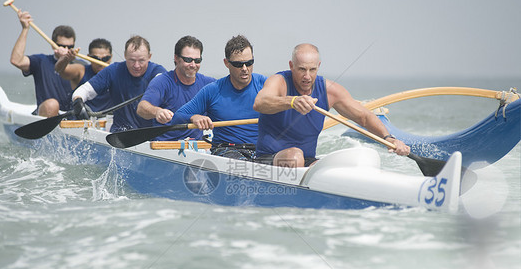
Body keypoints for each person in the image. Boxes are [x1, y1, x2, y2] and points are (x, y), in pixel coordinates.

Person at [253, 43, 410, 168]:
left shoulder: (329, 90)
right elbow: (260, 103)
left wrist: (390, 138)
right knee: (295, 156)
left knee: (347, 164)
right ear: (291, 66)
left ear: (318, 66)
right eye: (301, 69)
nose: (307, 76)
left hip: (307, 161)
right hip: (269, 159)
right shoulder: (279, 82)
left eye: (312, 69)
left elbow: (364, 117)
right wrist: (292, 101)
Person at [171, 35, 266, 160]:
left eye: (249, 63)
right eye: (238, 64)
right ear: (226, 63)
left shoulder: (266, 86)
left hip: (260, 151)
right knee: (239, 165)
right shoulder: (213, 90)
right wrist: (194, 117)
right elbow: (177, 117)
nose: (244, 69)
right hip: (227, 150)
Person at [72, 35, 167, 132]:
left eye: (141, 60)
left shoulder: (158, 73)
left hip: (152, 135)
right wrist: (78, 102)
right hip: (119, 134)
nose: (136, 65)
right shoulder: (114, 70)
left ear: (149, 57)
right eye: (132, 60)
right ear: (125, 55)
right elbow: (84, 90)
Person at [136, 36, 215, 141]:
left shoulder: (209, 84)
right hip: (165, 146)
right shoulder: (162, 81)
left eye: (197, 60)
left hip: (196, 148)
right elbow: (141, 108)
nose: (193, 65)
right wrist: (157, 112)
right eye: (188, 60)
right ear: (176, 58)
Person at [9, 9, 75, 117]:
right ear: (53, 45)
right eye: (62, 46)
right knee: (52, 105)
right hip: (47, 115)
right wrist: (25, 28)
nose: (66, 50)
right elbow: (16, 60)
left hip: (71, 118)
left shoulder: (80, 66)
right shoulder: (41, 61)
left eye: (70, 47)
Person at [55, 38, 113, 112]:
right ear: (88, 57)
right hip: (81, 119)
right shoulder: (81, 71)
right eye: (95, 58)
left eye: (105, 58)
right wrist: (66, 58)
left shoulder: (116, 73)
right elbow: (59, 70)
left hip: (106, 120)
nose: (100, 63)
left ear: (111, 57)